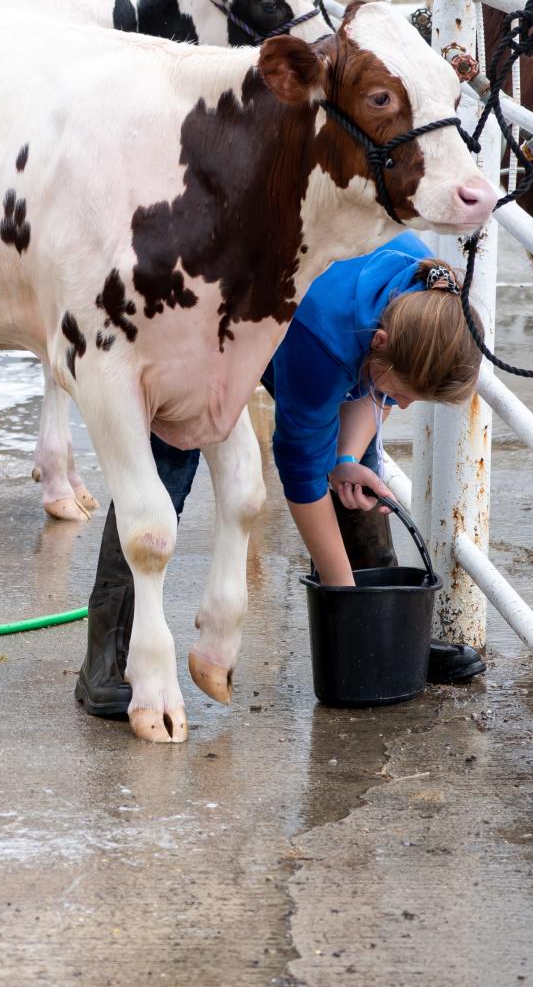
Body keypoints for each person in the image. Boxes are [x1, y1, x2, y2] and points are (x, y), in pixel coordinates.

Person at [75, 234, 487, 722]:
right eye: (406, 394)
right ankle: (107, 656)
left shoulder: (425, 295)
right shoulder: (328, 339)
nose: (404, 405)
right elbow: (301, 477)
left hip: (292, 299)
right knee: (167, 467)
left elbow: (374, 394)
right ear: (379, 341)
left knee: (359, 476)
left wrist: (347, 458)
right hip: (196, 309)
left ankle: (392, 635)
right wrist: (346, 603)